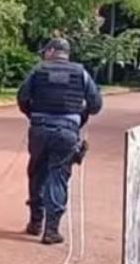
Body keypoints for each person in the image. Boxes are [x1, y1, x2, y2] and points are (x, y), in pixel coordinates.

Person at [17, 38, 103, 245]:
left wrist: (34, 115)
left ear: (53, 51)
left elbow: (22, 98)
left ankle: (36, 222)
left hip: (39, 130)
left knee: (37, 172)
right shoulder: (81, 73)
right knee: (58, 176)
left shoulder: (37, 71)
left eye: (45, 51)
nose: (43, 55)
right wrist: (80, 116)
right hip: (67, 132)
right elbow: (96, 104)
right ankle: (51, 230)